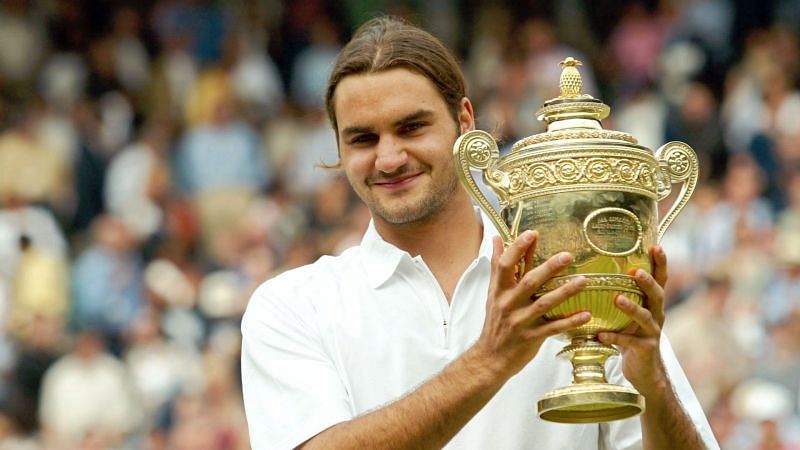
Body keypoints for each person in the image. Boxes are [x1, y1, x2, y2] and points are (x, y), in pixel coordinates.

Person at [241, 16, 718, 450]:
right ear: (340, 149)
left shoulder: (571, 273)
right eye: (363, 138)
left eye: (412, 128)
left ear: (464, 122)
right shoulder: (292, 305)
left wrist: (650, 378)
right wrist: (490, 360)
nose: (388, 158)